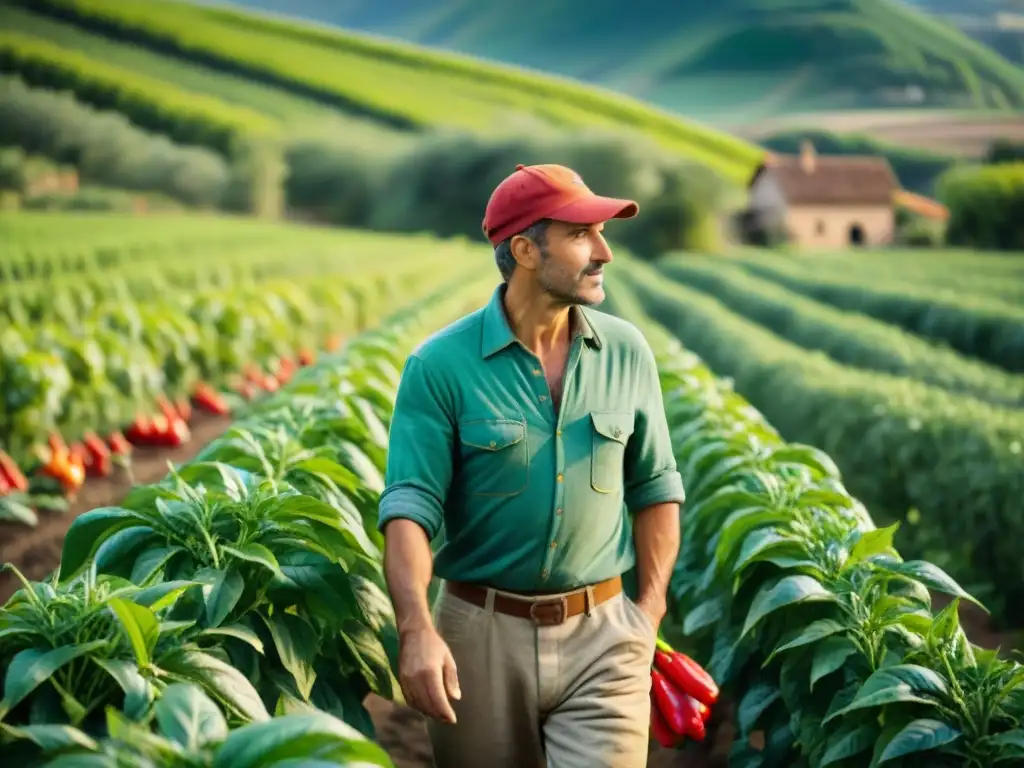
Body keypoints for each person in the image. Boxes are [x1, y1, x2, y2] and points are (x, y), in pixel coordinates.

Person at [377, 163, 685, 767]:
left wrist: (647, 613)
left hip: (605, 634)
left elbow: (655, 488)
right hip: (479, 637)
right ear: (523, 249)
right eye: (580, 235)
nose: (604, 253)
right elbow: (409, 507)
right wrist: (416, 628)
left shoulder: (627, 352)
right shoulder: (441, 365)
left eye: (602, 233)